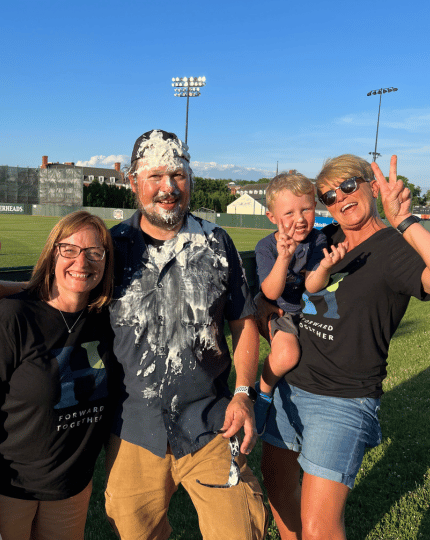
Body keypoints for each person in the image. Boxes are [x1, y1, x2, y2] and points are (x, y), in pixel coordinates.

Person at [104, 129, 268, 540]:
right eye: (155, 175)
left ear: (190, 179)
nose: (168, 187)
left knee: (239, 532)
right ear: (132, 181)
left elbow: (243, 324)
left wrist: (245, 394)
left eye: (177, 175)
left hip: (211, 424)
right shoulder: (110, 248)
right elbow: (56, 299)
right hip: (133, 431)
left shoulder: (216, 242)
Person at [256, 154, 430, 540]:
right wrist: (272, 327)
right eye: (329, 195)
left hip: (342, 399)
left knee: (319, 528)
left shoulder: (393, 248)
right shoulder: (323, 239)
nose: (340, 198)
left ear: (372, 184)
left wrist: (405, 220)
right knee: (280, 491)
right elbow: (269, 294)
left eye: (349, 185)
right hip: (289, 386)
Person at [0, 211, 115, 540]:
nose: (82, 261)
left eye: (95, 252)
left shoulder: (107, 318)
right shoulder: (15, 316)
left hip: (72, 488)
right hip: (11, 487)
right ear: (52, 253)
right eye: (69, 250)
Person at [254, 173, 347, 427]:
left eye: (306, 209)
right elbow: (271, 293)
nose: (299, 219)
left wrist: (325, 268)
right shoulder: (266, 247)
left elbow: (311, 285)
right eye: (288, 213)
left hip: (306, 312)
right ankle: (262, 393)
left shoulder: (317, 239)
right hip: (280, 311)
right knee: (286, 355)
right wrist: (284, 257)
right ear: (272, 218)